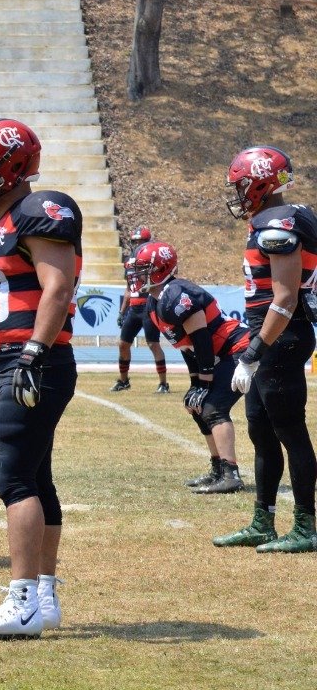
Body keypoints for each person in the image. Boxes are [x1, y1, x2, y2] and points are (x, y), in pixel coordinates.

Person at [0, 118, 81, 638]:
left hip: (38, 361)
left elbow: (57, 287)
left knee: (12, 479)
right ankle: (44, 597)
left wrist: (31, 353)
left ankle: (23, 600)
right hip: (12, 357)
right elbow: (0, 306)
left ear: (12, 165)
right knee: (35, 477)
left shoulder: (38, 210)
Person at [212, 146, 317, 553]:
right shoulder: (281, 218)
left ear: (261, 182)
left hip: (280, 340)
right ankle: (263, 520)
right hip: (272, 340)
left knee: (291, 431)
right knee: (260, 428)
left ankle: (306, 525)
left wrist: (254, 351)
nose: (238, 194)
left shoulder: (278, 225)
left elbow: (285, 299)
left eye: (242, 186)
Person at [132, 240, 247, 495]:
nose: (137, 276)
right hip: (218, 356)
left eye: (142, 269)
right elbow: (188, 348)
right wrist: (196, 384)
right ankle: (218, 468)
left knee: (213, 406)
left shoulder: (177, 294)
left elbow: (202, 340)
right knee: (197, 406)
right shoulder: (155, 302)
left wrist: (205, 383)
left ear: (160, 269)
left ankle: (231, 474)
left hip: (238, 348)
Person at [112, 226, 169, 393]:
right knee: (123, 344)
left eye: (140, 242)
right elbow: (128, 288)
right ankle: (124, 381)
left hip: (148, 306)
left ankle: (163, 383)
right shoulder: (130, 263)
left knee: (153, 344)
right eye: (135, 242)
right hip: (133, 309)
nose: (137, 245)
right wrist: (122, 311)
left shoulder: (153, 261)